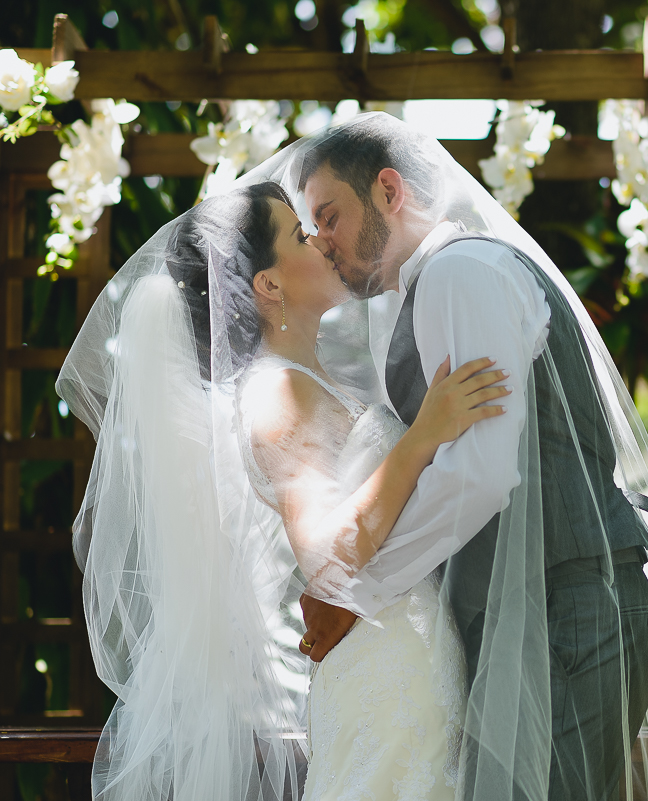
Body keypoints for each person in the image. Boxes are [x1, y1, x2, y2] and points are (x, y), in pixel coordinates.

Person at [266, 114, 648, 801]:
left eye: (330, 215)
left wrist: (356, 592)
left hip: (573, 616)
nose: (322, 240)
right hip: (534, 620)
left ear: (388, 190)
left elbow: (481, 474)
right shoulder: (427, 287)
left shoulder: (462, 274)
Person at [58, 181, 510, 800]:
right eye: (300, 235)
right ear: (269, 286)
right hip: (384, 672)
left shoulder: (311, 378)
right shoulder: (277, 394)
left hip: (406, 653)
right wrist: (424, 435)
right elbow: (324, 560)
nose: (322, 241)